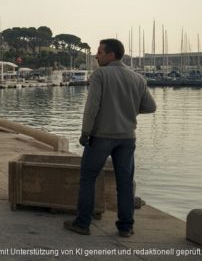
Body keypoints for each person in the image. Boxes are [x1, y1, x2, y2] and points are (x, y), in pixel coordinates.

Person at [64, 39, 156, 237]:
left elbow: (92, 107)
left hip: (101, 136)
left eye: (99, 52)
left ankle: (82, 223)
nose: (96, 56)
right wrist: (128, 111)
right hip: (127, 138)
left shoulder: (101, 74)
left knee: (88, 178)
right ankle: (126, 227)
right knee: (125, 182)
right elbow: (150, 107)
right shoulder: (138, 78)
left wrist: (85, 133)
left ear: (111, 55)